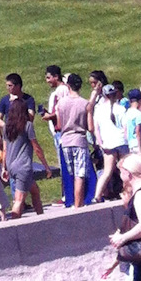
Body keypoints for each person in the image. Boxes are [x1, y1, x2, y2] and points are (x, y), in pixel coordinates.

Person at [3, 98, 49, 218]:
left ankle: (41, 218)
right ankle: (14, 227)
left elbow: (5, 149)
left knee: (35, 191)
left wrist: (4, 168)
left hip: (11, 165)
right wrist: (46, 166)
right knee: (19, 200)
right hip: (23, 167)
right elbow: (36, 148)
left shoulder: (7, 127)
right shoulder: (27, 125)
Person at [51, 72, 91, 209]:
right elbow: (90, 127)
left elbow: (60, 125)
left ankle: (74, 202)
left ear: (68, 85)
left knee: (73, 174)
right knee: (80, 175)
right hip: (79, 139)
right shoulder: (85, 103)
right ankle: (78, 205)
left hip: (66, 140)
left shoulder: (61, 103)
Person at [92, 80, 127, 202]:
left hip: (108, 143)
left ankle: (97, 195)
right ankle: (128, 190)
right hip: (121, 141)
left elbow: (96, 129)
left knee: (107, 171)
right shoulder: (121, 109)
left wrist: (100, 142)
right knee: (125, 168)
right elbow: (125, 127)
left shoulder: (98, 110)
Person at [122, 88, 141, 167]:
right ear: (140, 100)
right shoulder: (138, 114)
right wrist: (140, 148)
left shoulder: (127, 113)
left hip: (131, 144)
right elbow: (138, 131)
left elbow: (125, 130)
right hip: (140, 144)